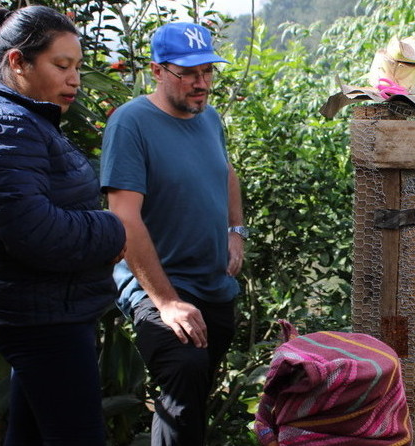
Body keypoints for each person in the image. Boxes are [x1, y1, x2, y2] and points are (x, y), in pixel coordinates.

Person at [0, 5, 127, 445]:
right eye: (61, 65)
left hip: (45, 306)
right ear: (18, 62)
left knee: (31, 432)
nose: (74, 79)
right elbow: (35, 232)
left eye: (77, 67)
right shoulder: (1, 125)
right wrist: (112, 230)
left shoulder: (22, 118)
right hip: (42, 318)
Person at [99, 22, 246, 445]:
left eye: (208, 71)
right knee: (184, 375)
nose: (201, 84)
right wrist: (166, 303)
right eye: (188, 73)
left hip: (213, 284)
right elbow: (124, 218)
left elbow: (226, 172)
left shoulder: (209, 117)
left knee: (193, 397)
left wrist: (235, 231)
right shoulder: (131, 124)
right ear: (157, 70)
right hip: (158, 288)